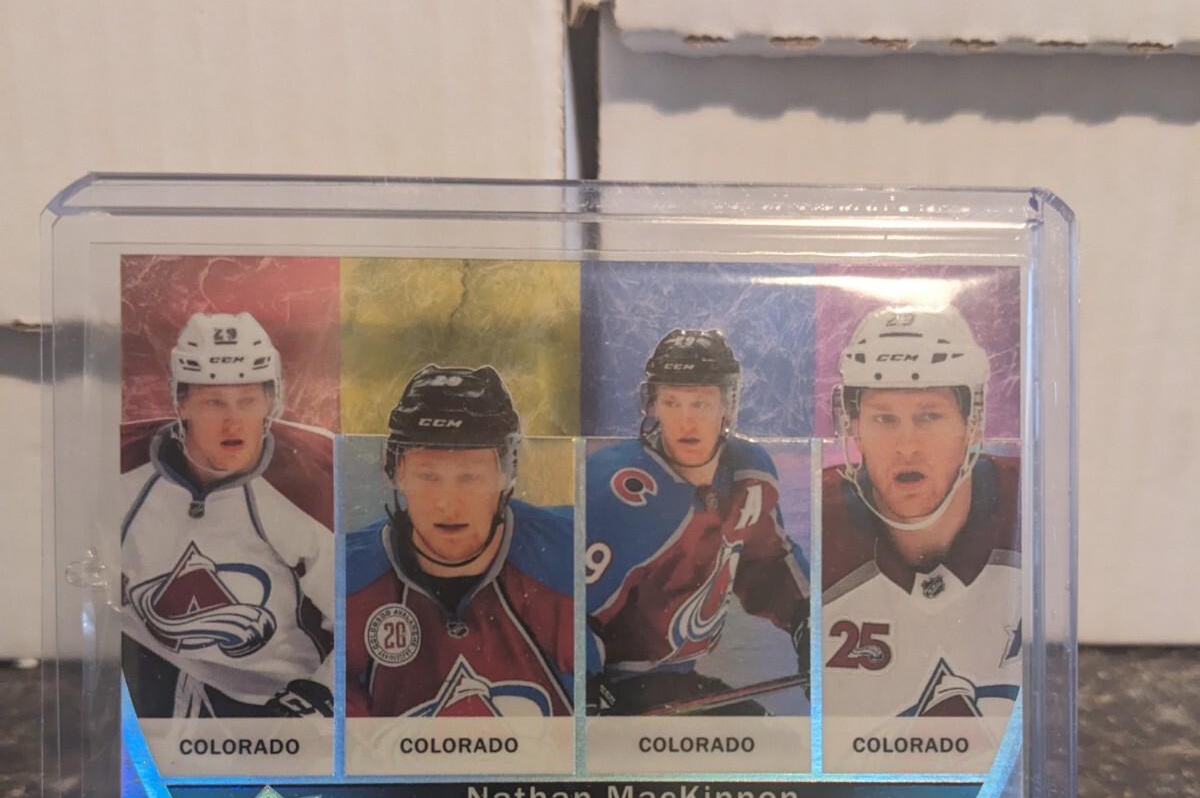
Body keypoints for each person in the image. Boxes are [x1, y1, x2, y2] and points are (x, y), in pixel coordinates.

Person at [120, 311, 334, 719]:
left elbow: (358, 620)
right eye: (214, 402)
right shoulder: (120, 467)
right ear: (181, 403)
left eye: (247, 401)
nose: (232, 420)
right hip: (159, 682)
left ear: (270, 401)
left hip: (280, 700)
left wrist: (320, 694)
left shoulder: (316, 481)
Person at [586, 328, 809, 716]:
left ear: (728, 406)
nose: (685, 420)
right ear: (652, 405)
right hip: (611, 690)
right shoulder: (617, 484)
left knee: (772, 742)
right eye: (671, 402)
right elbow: (571, 608)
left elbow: (768, 564)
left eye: (701, 403)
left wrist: (809, 624)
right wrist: (584, 690)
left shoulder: (749, 472)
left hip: (677, 681)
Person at [822, 303, 1021, 723]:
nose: (907, 446)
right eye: (884, 419)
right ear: (853, 426)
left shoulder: (1030, 501)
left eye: (929, 416)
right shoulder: (817, 518)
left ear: (972, 423)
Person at [346, 364, 573, 717]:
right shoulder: (345, 579)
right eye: (428, 476)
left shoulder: (569, 558)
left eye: (470, 477)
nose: (448, 505)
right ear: (396, 471)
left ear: (506, 473)